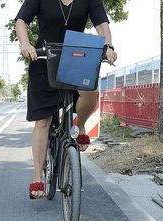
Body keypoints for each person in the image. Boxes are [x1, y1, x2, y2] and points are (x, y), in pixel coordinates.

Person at [15, 0, 117, 199]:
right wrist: (25, 44)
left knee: (90, 91)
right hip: (44, 59)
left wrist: (108, 46)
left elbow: (101, 24)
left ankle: (80, 125)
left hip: (77, 58)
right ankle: (37, 176)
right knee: (43, 121)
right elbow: (21, 20)